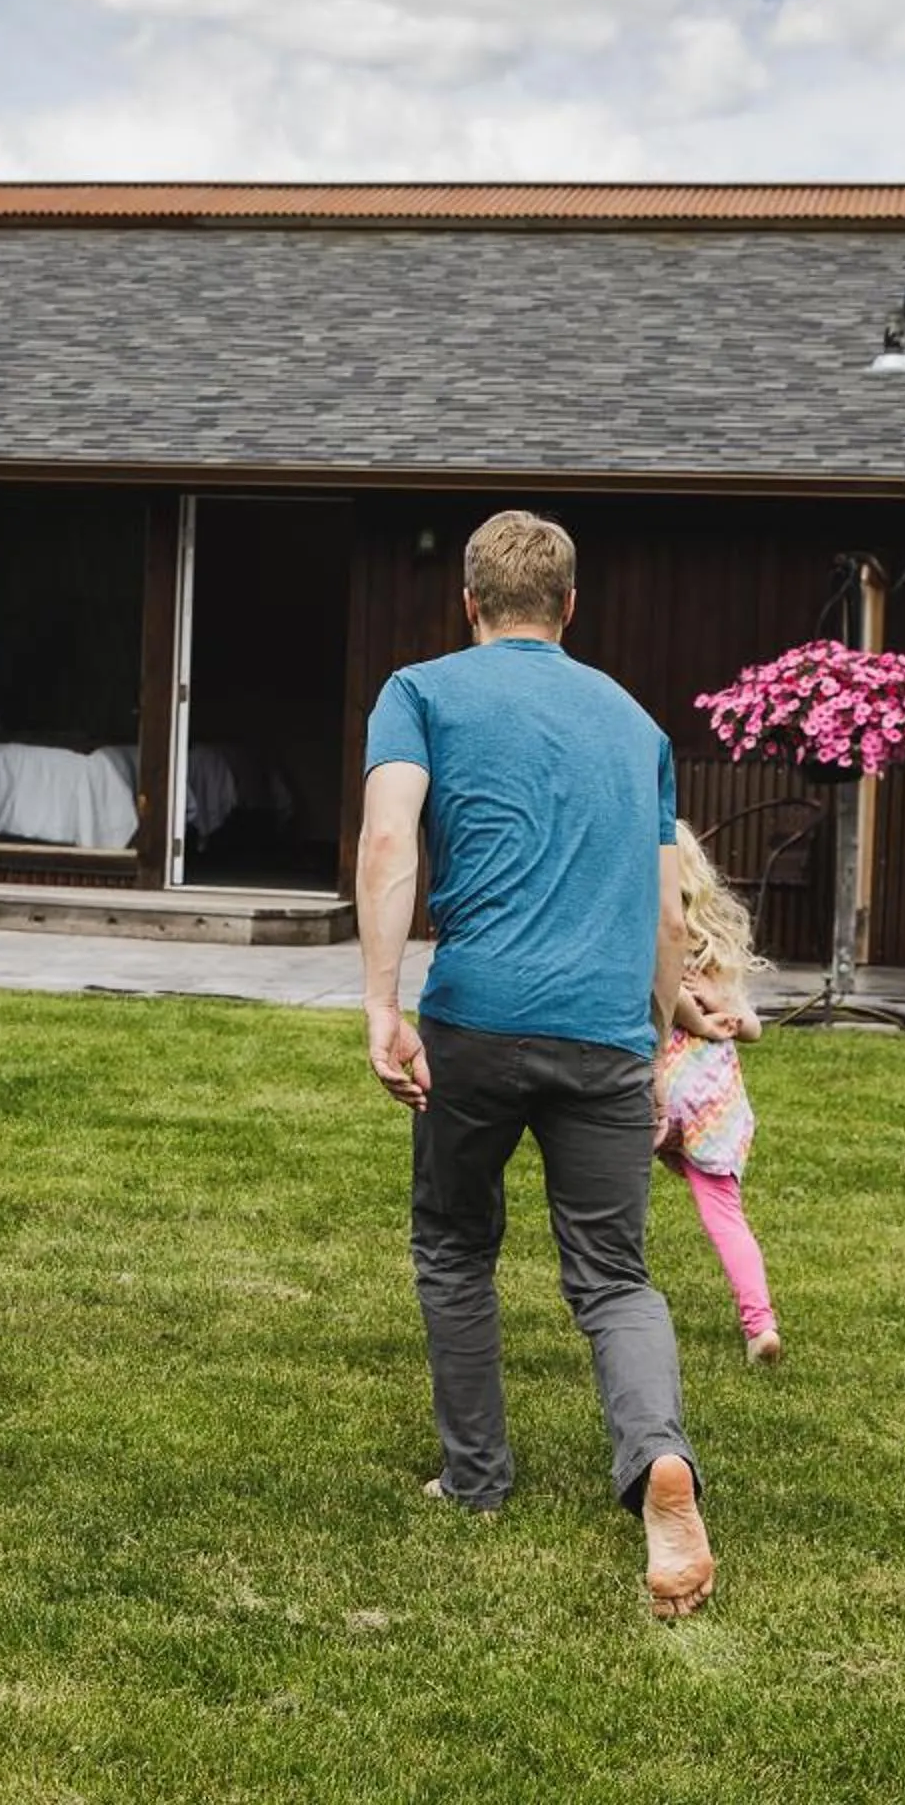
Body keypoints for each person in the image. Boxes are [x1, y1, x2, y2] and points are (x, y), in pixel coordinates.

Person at [356, 507, 725, 1621]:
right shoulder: (634, 721)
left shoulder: (420, 691)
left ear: (468, 603)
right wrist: (662, 1030)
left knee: (456, 1243)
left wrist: (382, 1004)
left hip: (475, 1018)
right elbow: (668, 909)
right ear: (572, 606)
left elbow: (387, 843)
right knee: (613, 1276)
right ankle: (658, 1459)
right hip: (604, 1032)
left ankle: (474, 1478)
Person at [657, 824, 782, 1367]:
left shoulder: (656, 928)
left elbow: (666, 994)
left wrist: (701, 1019)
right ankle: (760, 1324)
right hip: (712, 1099)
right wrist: (723, 1013)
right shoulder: (712, 944)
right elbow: (751, 1027)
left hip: (657, 1081)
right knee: (725, 1213)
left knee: (608, 1192)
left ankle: (611, 1298)